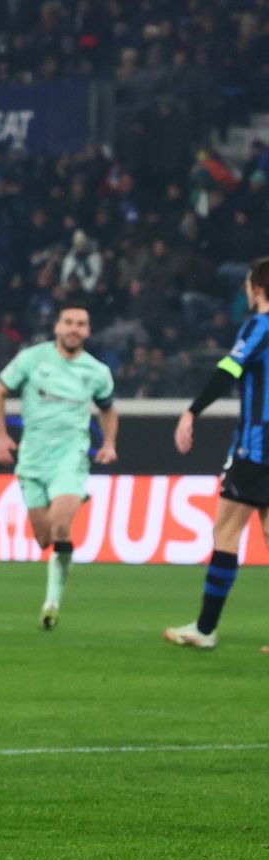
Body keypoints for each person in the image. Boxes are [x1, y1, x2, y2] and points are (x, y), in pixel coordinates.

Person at [0, 305, 117, 630]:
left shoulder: (97, 371)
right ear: (57, 327)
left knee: (61, 528)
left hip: (71, 457)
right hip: (32, 459)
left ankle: (52, 603)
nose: (74, 328)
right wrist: (0, 437)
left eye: (81, 324)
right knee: (44, 539)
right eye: (69, 322)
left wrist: (109, 443)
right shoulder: (32, 359)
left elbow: (108, 409)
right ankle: (67, 513)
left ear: (88, 331)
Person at [164, 258, 269, 649]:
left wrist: (192, 411)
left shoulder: (260, 326)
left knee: (226, 531)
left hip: (257, 446)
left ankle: (205, 629)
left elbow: (229, 369)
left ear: (257, 288)